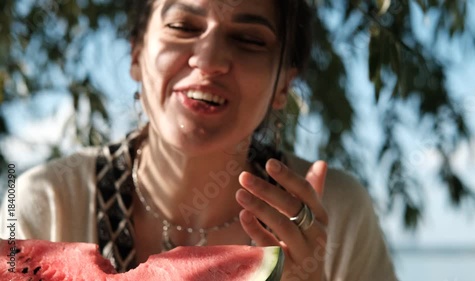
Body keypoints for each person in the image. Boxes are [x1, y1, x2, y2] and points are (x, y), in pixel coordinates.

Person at [1, 0, 398, 280]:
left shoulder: (339, 214)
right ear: (136, 55)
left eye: (250, 39)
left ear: (284, 85)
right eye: (183, 26)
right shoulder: (43, 202)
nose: (208, 60)